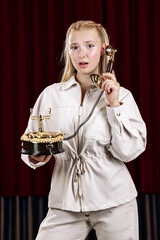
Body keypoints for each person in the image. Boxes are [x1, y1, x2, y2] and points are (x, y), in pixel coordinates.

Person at [21, 20, 147, 240]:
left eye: (89, 46)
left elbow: (128, 151)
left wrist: (113, 105)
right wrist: (37, 156)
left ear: (103, 50)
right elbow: (30, 144)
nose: (82, 54)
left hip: (114, 200)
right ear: (68, 50)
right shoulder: (51, 95)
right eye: (74, 47)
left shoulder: (122, 96)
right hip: (65, 202)